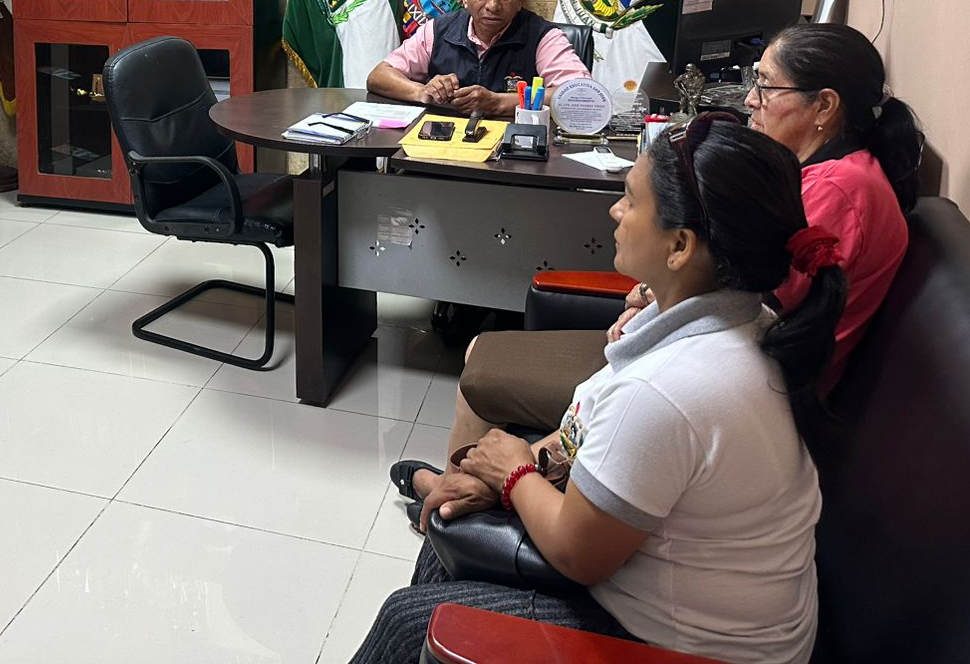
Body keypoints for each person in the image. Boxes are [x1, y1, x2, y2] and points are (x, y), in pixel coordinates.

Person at [352, 116, 847, 664]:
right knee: (451, 530)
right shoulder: (747, 318)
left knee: (410, 621)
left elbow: (578, 553)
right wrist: (504, 474)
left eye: (631, 201)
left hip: (683, 648)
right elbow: (592, 439)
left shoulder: (668, 390)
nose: (615, 211)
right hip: (686, 601)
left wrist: (514, 473)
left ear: (680, 246)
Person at [403, 22, 919, 528]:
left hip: (750, 388)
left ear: (824, 105)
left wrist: (649, 306)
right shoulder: (822, 173)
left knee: (483, 363)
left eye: (766, 86)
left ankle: (458, 503)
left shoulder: (836, 192)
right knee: (487, 357)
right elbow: (732, 282)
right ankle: (460, 489)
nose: (750, 99)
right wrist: (649, 297)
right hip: (720, 357)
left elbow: (749, 301)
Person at [367, 0, 591, 115]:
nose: (493, 5)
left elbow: (581, 95)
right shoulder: (438, 29)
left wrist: (499, 103)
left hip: (514, 152)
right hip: (443, 147)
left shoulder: (542, 36)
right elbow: (379, 76)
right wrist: (424, 91)